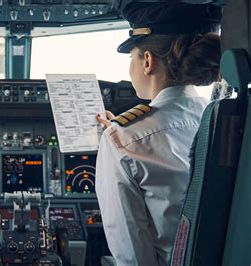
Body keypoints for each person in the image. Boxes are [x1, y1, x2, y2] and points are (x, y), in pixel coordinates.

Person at [94, 3, 221, 265]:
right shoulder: (223, 123)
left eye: (132, 56)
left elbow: (132, 257)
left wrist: (116, 140)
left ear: (148, 61)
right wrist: (121, 135)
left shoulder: (123, 141)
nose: (131, 66)